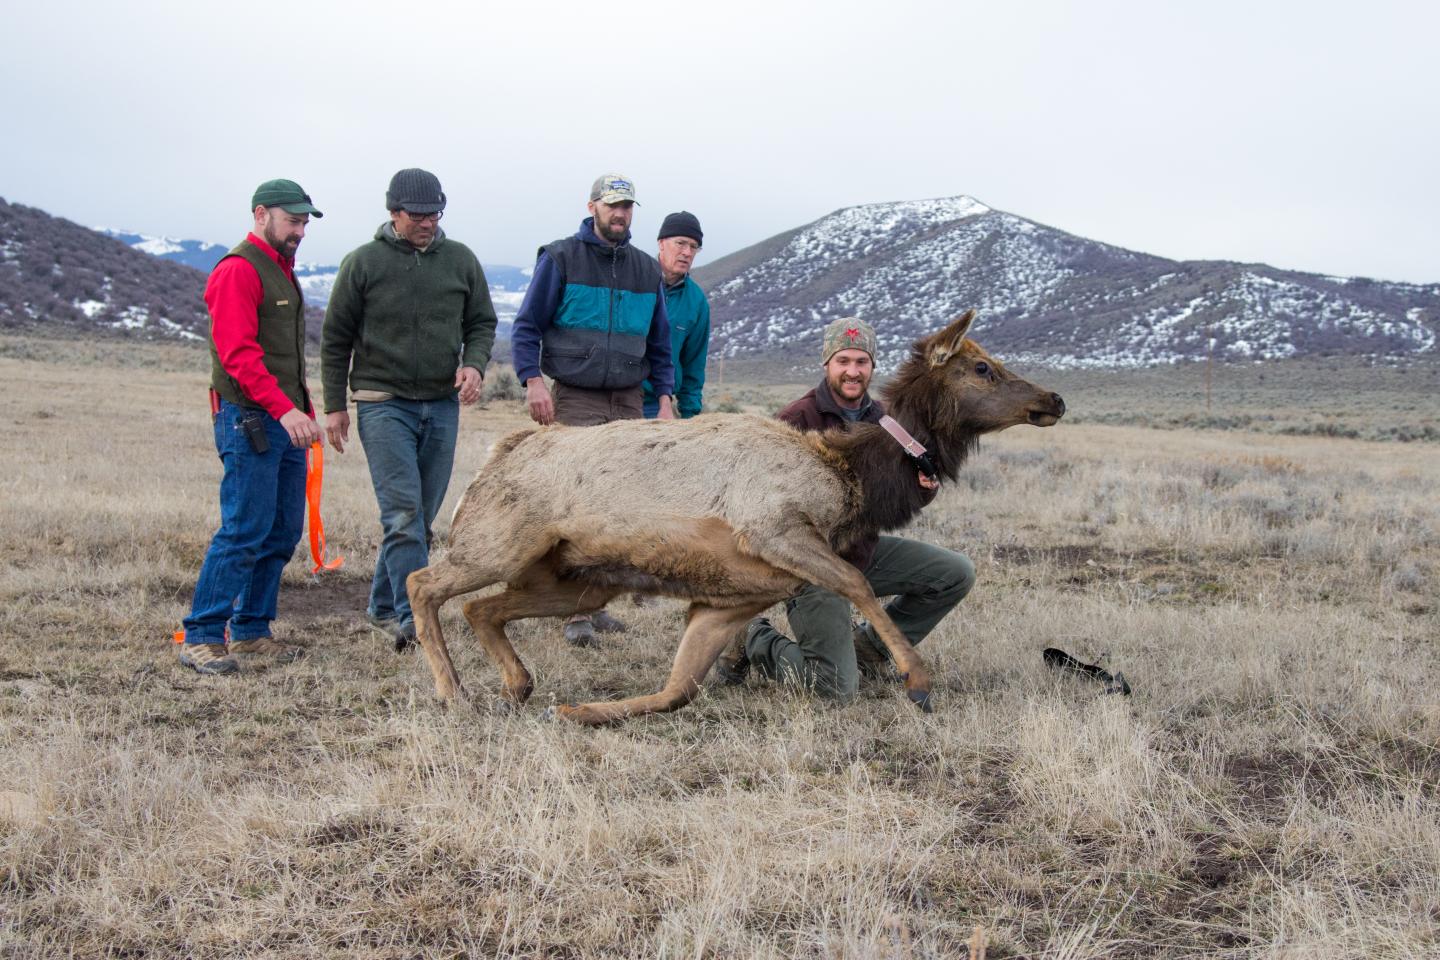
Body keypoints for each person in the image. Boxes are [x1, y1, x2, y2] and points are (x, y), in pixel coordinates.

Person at [718, 317, 977, 701]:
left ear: (872, 366)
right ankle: (754, 638)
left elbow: (898, 496)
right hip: (810, 567)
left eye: (861, 362)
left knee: (955, 573)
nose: (853, 371)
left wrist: (924, 487)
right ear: (827, 364)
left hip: (860, 553)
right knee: (835, 690)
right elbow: (761, 505)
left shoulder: (889, 421)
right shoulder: (797, 419)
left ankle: (866, 650)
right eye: (843, 361)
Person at [321, 168, 498, 651]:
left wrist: (474, 364)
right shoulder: (363, 263)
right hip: (382, 404)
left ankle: (381, 606)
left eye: (434, 214)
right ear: (393, 212)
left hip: (441, 404)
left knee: (419, 519)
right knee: (401, 516)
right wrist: (335, 405)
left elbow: (482, 321)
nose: (427, 222)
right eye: (417, 215)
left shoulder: (460, 260)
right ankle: (411, 618)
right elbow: (335, 338)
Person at [510, 172, 676, 645]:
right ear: (592, 207)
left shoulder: (647, 270)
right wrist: (532, 381)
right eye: (612, 205)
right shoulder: (561, 257)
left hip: (628, 399)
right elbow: (526, 327)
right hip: (576, 395)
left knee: (620, 506)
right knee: (578, 504)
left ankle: (597, 601)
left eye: (627, 207)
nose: (620, 214)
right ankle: (572, 614)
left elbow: (660, 345)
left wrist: (664, 401)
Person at [178, 179, 325, 675]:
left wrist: (301, 407)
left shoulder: (281, 268)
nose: (300, 230)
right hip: (250, 419)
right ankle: (201, 635)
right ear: (261, 214)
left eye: (305, 221)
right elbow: (239, 355)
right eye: (293, 220)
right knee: (244, 530)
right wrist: (285, 411)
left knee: (281, 530)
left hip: (284, 419)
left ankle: (250, 631)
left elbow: (282, 356)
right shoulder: (239, 269)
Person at [642, 212, 710, 419]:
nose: (687, 252)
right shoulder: (635, 281)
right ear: (661, 243)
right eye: (680, 243)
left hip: (658, 406)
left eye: (694, 247)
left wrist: (691, 417)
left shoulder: (696, 301)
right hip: (617, 396)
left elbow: (694, 364)